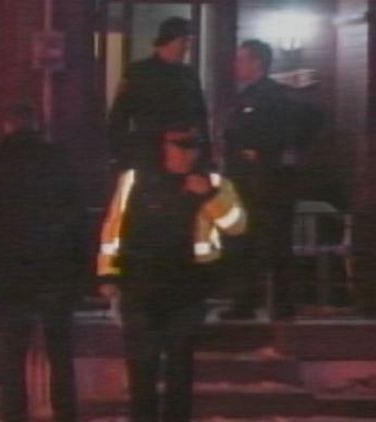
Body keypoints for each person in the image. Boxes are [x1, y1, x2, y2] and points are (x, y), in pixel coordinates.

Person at [97, 121, 246, 422]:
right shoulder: (134, 180)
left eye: (193, 147)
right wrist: (108, 274)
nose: (187, 155)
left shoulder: (214, 182)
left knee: (180, 368)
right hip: (140, 286)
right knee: (142, 368)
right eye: (180, 146)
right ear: (162, 147)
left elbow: (237, 225)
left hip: (186, 289)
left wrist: (209, 197)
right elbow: (113, 229)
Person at [0, 103, 81, 422]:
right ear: (38, 126)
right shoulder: (57, 159)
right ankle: (65, 412)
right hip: (54, 268)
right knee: (59, 348)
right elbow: (74, 214)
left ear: (8, 126)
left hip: (12, 267)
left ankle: (14, 412)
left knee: (13, 348)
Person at [220, 39, 311, 320]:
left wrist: (258, 155)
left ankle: (281, 304)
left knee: (271, 243)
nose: (236, 65)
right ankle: (245, 301)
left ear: (257, 62)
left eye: (241, 59)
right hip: (244, 181)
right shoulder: (246, 96)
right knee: (243, 241)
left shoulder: (271, 96)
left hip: (264, 183)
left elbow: (272, 135)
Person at [108, 16, 210, 169]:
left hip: (185, 159)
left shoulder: (189, 75)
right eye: (184, 41)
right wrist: (120, 156)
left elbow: (200, 116)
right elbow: (119, 118)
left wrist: (205, 153)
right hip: (150, 157)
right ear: (170, 40)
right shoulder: (139, 73)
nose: (187, 47)